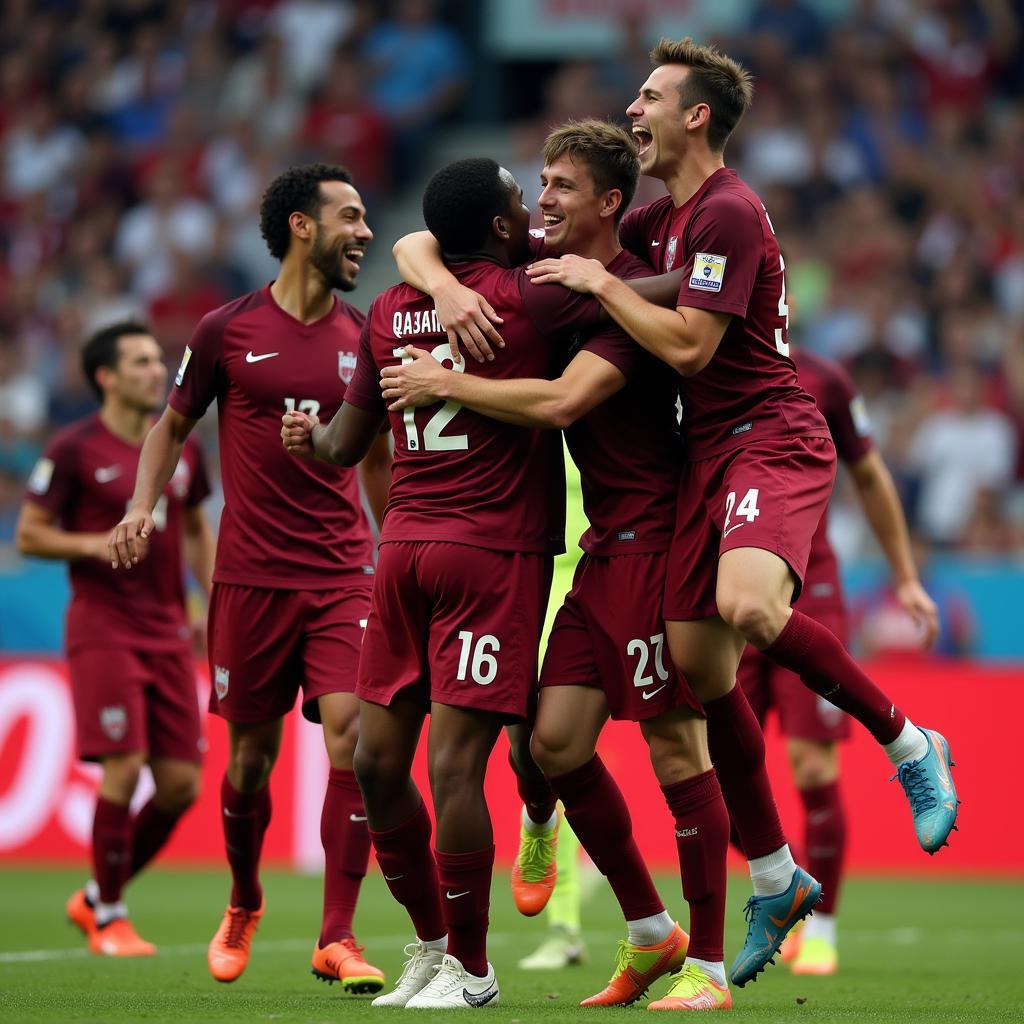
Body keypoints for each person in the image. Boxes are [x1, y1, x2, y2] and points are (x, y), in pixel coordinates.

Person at [524, 37, 960, 986]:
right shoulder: (660, 217)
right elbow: (570, 251)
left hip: (767, 432)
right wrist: (434, 271)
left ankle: (909, 739)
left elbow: (685, 349)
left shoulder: (727, 209)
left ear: (697, 116)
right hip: (704, 458)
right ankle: (773, 874)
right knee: (701, 669)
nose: (631, 111)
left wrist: (599, 284)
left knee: (752, 610)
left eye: (649, 98)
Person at [282, 156, 651, 1010]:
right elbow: (661, 288)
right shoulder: (528, 295)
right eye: (525, 201)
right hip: (448, 552)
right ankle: (441, 952)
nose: (536, 212)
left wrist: (312, 439)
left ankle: (464, 967)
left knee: (418, 766)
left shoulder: (399, 304)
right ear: (499, 225)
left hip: (450, 552)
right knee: (400, 765)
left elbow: (343, 445)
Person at [384, 121, 733, 1010]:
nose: (541, 202)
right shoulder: (547, 274)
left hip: (658, 542)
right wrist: (440, 287)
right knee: (550, 740)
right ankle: (653, 933)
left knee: (672, 743)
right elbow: (422, 234)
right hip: (597, 550)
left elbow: (560, 401)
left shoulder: (608, 302)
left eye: (560, 187)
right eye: (536, 187)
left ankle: (712, 966)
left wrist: (446, 381)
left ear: (608, 203)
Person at [107, 164, 392, 991]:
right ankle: (243, 898)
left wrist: (395, 539)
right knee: (247, 766)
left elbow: (374, 456)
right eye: (350, 216)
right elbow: (170, 430)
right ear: (302, 226)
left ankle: (336, 935)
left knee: (358, 740)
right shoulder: (225, 330)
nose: (365, 232)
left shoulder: (366, 335)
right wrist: (139, 508)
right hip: (251, 578)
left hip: (344, 571)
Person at [736, 347, 940, 976]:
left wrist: (904, 576)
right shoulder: (699, 362)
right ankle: (790, 880)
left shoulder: (824, 378)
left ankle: (822, 928)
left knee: (809, 761)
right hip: (730, 579)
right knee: (717, 772)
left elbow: (871, 474)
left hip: (810, 581)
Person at [17, 321, 215, 957]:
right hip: (102, 627)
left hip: (167, 632)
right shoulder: (74, 448)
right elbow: (29, 535)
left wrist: (213, 602)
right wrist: (90, 544)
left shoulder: (181, 449)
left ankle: (97, 892)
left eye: (158, 361)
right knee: (125, 765)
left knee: (182, 784)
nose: (156, 371)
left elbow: (192, 530)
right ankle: (110, 915)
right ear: (106, 376)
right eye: (139, 362)